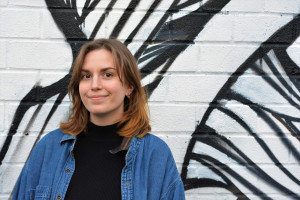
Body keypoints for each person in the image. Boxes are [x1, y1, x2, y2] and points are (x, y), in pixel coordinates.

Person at [12, 38, 185, 200]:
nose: (95, 85)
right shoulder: (49, 148)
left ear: (129, 87)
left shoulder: (155, 155)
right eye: (86, 76)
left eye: (107, 75)